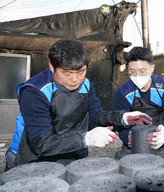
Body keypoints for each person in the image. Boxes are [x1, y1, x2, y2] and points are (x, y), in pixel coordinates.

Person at [5, 38, 152, 170]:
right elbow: (41, 143)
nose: (75, 79)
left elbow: (96, 116)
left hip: (71, 154)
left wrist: (123, 118)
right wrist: (86, 139)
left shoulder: (86, 85)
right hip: (33, 160)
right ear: (51, 66)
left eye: (81, 72)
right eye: (67, 73)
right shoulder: (34, 91)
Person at [113, 47, 164, 150]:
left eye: (143, 71)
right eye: (132, 72)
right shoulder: (122, 92)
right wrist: (128, 137)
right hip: (133, 140)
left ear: (152, 68)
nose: (138, 76)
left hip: (158, 136)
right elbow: (120, 122)